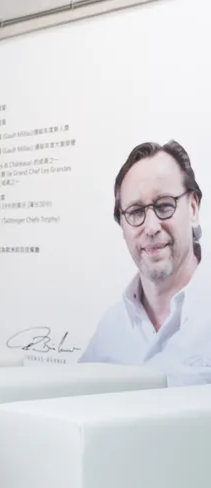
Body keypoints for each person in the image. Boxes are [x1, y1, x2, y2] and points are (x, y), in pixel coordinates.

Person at [79, 139, 211, 386]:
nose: (151, 227)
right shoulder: (109, 330)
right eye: (136, 212)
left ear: (193, 209)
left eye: (165, 206)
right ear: (123, 226)